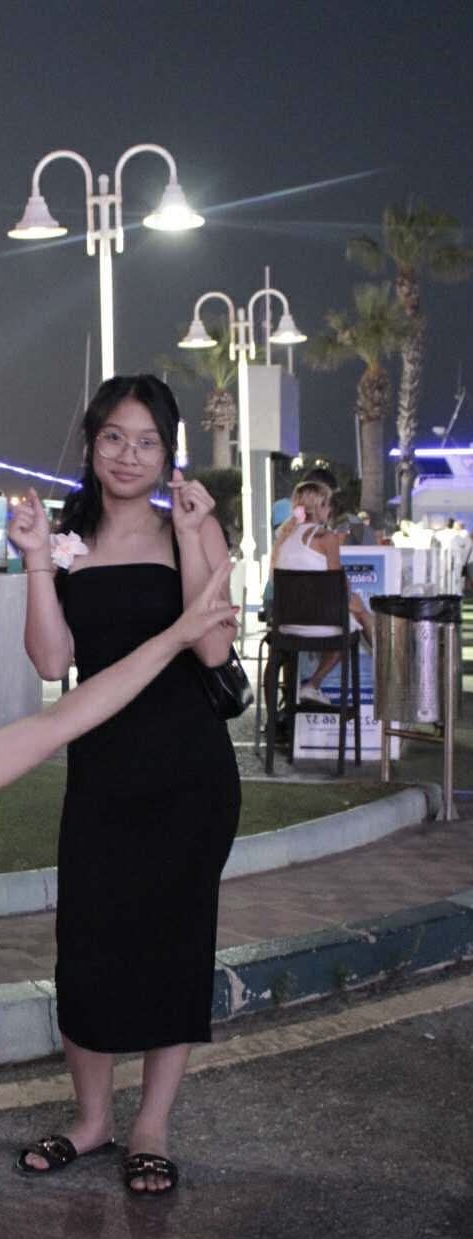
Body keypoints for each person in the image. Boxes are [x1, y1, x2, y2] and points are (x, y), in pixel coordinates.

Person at [10, 374, 241, 1196]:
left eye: (147, 441)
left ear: (169, 452)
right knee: (89, 945)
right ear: (92, 441)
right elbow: (50, 660)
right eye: (114, 437)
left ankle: (151, 1127)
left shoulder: (188, 528)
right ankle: (92, 1120)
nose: (128, 455)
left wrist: (200, 535)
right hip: (101, 770)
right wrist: (37, 561)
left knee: (174, 943)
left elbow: (212, 650)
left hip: (188, 773)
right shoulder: (67, 541)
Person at [0, 561, 237, 788]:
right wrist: (175, 638)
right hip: (100, 763)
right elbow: (53, 723)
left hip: (189, 756)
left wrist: (175, 638)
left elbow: (54, 725)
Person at [271, 479, 372, 707]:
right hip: (319, 624)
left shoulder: (284, 537)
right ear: (321, 506)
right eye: (329, 505)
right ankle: (313, 684)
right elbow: (337, 586)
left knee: (355, 611)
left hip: (286, 626)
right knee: (357, 615)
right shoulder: (326, 538)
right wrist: (351, 598)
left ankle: (306, 689)